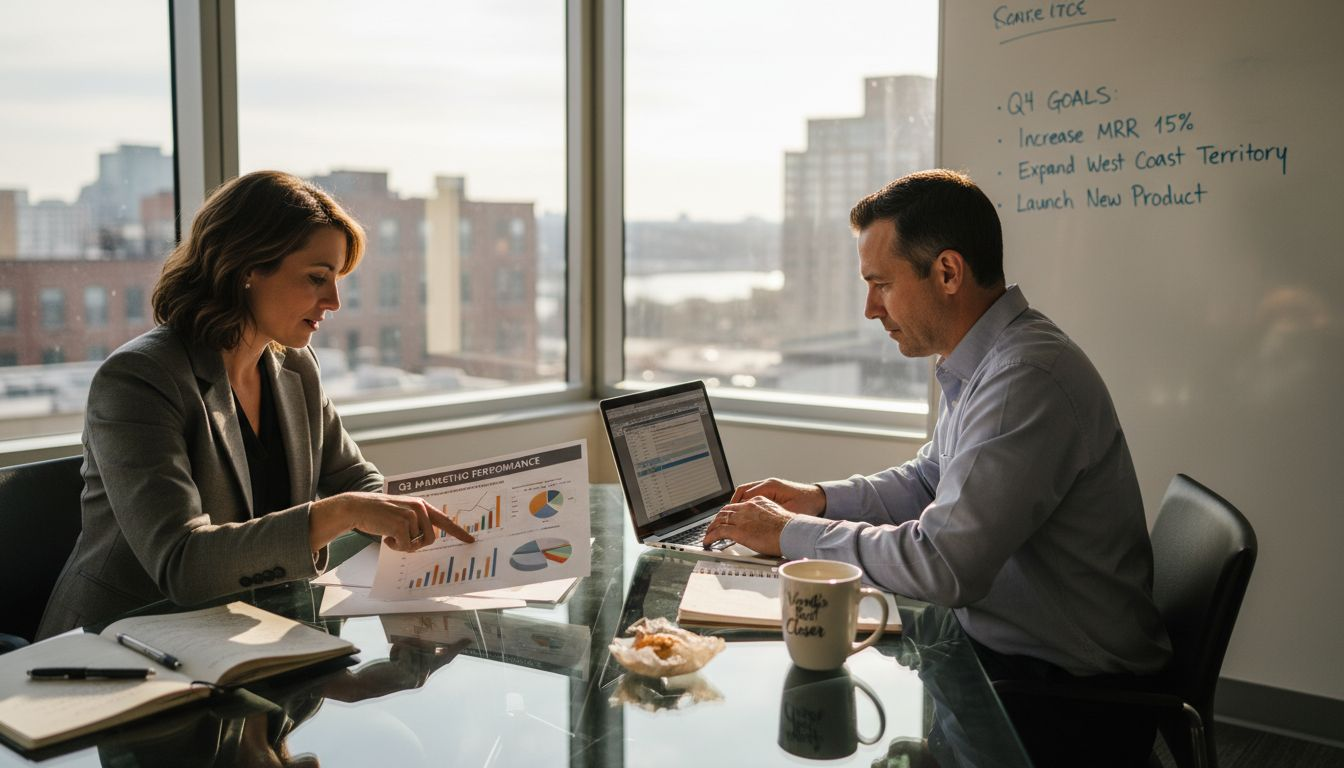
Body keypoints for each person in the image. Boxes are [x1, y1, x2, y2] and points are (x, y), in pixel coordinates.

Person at [703, 169, 1172, 766]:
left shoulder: (1022, 380)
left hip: (1064, 699)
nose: (870, 308)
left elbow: (945, 565)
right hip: (1009, 658)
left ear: (947, 272)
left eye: (881, 284)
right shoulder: (988, 361)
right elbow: (928, 480)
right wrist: (817, 500)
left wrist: (790, 536)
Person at [37, 171, 472, 638]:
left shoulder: (295, 367)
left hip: (249, 638)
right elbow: (184, 563)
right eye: (316, 278)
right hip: (119, 652)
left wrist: (403, 516)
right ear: (247, 267)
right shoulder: (139, 379)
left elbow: (353, 477)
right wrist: (344, 512)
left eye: (337, 279)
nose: (334, 301)